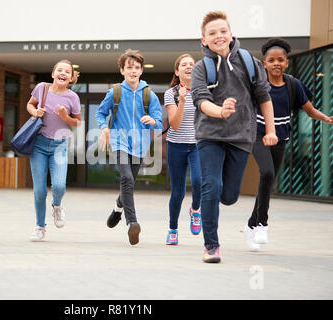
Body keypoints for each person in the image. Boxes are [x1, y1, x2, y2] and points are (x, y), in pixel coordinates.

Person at [191, 11, 278, 263]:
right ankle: (211, 245)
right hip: (210, 135)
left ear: (230, 33)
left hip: (241, 137)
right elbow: (201, 102)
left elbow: (264, 97)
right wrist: (221, 111)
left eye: (222, 31)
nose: (218, 36)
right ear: (204, 40)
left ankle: (210, 201)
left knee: (228, 196)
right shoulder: (201, 68)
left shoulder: (249, 62)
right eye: (212, 33)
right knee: (211, 187)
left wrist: (270, 131)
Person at [245, 38, 333, 251]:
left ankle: (251, 225)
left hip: (281, 138)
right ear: (264, 63)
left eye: (281, 60)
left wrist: (326, 118)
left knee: (269, 182)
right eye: (271, 60)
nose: (276, 63)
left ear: (286, 63)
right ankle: (262, 224)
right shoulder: (258, 85)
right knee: (266, 174)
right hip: (257, 135)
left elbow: (309, 109)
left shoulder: (293, 84)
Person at [96, 49, 163, 245]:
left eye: (136, 67)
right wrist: (104, 129)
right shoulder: (114, 92)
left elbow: (159, 122)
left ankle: (118, 208)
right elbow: (100, 114)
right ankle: (132, 223)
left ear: (141, 70)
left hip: (140, 143)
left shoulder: (149, 94)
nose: (133, 71)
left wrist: (152, 120)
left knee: (129, 182)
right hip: (119, 141)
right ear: (122, 70)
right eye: (129, 67)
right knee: (126, 178)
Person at [27, 60, 81, 241]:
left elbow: (78, 122)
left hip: (59, 145)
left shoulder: (72, 97)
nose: (63, 73)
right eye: (59, 70)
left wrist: (65, 116)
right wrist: (35, 112)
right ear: (53, 74)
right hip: (39, 145)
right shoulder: (42, 88)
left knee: (58, 185)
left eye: (67, 71)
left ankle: (57, 206)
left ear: (71, 78)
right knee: (39, 190)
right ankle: (40, 226)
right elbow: (30, 104)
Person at [164, 54, 202, 245]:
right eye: (184, 65)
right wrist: (183, 100)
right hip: (176, 145)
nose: (189, 67)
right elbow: (175, 124)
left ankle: (196, 210)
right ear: (177, 71)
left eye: (192, 64)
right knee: (177, 191)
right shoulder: (171, 93)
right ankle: (173, 229)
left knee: (198, 181)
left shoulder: (203, 91)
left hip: (197, 145)